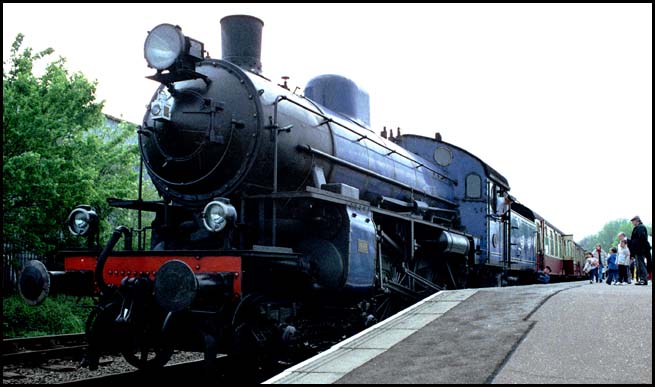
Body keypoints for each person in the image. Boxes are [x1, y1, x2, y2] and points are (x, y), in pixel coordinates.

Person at [629, 215, 649, 285]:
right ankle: (642, 279)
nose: (632, 223)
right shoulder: (639, 227)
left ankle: (643, 279)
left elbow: (642, 238)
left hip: (640, 249)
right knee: (638, 265)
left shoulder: (640, 227)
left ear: (637, 220)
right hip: (638, 249)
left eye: (633, 221)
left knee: (641, 264)